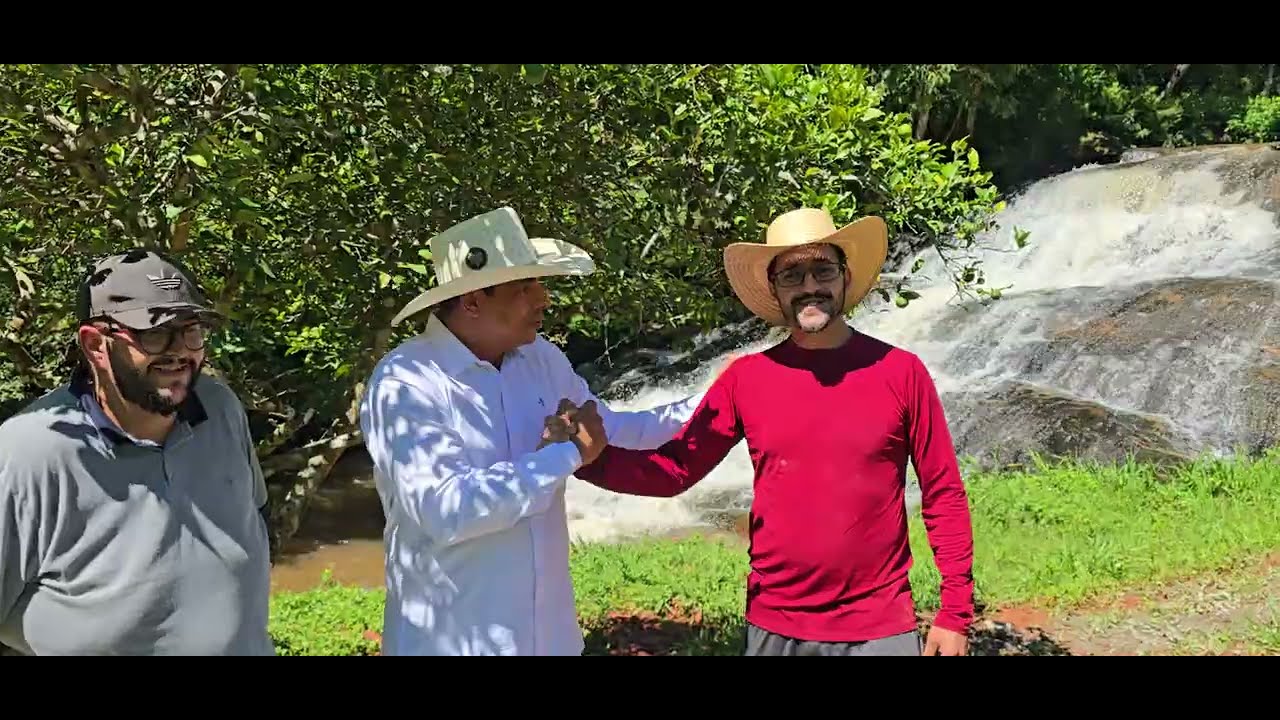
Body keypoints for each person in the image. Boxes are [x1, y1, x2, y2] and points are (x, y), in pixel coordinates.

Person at [563, 207, 976, 656]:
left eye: (823, 269)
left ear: (844, 276)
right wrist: (587, 460)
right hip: (776, 623)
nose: (810, 287)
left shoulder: (901, 372)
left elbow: (943, 492)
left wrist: (955, 612)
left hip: (880, 625)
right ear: (774, 289)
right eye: (792, 275)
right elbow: (676, 470)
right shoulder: (747, 378)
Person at [359, 206, 702, 656]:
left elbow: (611, 428)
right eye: (525, 287)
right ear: (472, 301)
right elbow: (446, 510)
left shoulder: (539, 358)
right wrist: (563, 456)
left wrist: (719, 399)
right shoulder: (406, 382)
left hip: (551, 640)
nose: (544, 299)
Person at [0, 249, 274, 656]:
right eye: (155, 332)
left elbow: (258, 517)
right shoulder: (29, 451)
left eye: (191, 330)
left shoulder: (219, 408)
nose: (181, 350)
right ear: (95, 345)